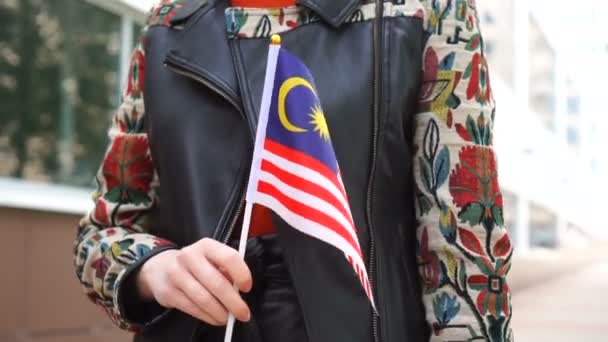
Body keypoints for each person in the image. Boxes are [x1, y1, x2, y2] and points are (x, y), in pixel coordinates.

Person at [73, 0, 513, 341]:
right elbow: (101, 234)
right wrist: (154, 270)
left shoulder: (427, 10)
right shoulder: (166, 26)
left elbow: (468, 260)